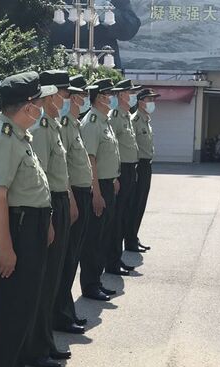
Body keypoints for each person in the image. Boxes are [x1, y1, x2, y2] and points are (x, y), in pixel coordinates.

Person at [0, 72, 56, 367]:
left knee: (23, 309)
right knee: (9, 315)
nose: (42, 108)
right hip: (17, 230)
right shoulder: (3, 138)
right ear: (28, 106)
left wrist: (46, 223)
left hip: (31, 226)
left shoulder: (19, 135)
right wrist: (6, 249)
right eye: (39, 102)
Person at [25, 70, 77, 367]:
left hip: (58, 199)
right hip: (49, 204)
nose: (67, 99)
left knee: (55, 277)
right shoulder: (42, 129)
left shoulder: (53, 125)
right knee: (45, 284)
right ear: (49, 97)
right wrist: (50, 218)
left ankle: (46, 341)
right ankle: (37, 346)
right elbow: (42, 177)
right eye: (64, 94)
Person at [53, 74, 93, 333]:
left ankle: (66, 310)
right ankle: (61, 314)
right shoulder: (64, 124)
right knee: (66, 261)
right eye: (77, 95)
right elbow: (63, 167)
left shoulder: (73, 123)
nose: (82, 99)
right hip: (71, 194)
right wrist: (70, 199)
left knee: (72, 257)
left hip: (80, 192)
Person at [79, 78, 121, 301]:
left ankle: (97, 280)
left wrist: (113, 179)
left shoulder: (104, 121)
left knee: (103, 235)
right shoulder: (92, 122)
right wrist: (96, 192)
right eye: (108, 95)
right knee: (94, 238)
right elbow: (91, 159)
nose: (112, 98)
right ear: (99, 98)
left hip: (106, 183)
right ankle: (90, 284)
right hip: (97, 186)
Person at [106, 78, 141, 275]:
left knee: (124, 215)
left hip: (130, 169)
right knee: (116, 219)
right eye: (130, 92)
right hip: (121, 171)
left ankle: (116, 258)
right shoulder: (115, 116)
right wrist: (116, 176)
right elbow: (113, 150)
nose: (133, 96)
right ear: (121, 95)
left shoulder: (126, 115)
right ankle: (111, 261)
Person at [49, 0, 140, 68]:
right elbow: (45, 27)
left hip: (105, 69)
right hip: (63, 67)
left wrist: (104, 10)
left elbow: (129, 29)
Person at [126, 87, 160, 253]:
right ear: (140, 102)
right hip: (139, 165)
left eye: (153, 100)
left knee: (141, 204)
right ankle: (130, 239)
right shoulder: (134, 120)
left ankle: (134, 236)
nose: (152, 103)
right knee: (135, 204)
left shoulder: (146, 120)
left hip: (147, 165)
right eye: (149, 99)